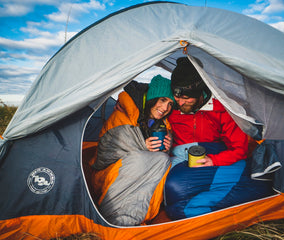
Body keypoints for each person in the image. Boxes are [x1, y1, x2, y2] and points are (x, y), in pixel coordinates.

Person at [164, 57, 274, 220]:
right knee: (174, 188)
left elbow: (239, 148)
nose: (180, 102)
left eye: (186, 98)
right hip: (181, 159)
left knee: (260, 182)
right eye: (176, 96)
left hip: (213, 157)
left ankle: (188, 210)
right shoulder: (169, 106)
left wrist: (214, 161)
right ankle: (192, 208)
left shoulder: (220, 108)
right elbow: (146, 100)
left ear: (200, 92)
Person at [91, 75, 174, 226]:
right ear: (152, 98)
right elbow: (105, 152)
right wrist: (142, 144)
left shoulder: (162, 124)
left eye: (170, 104)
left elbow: (158, 157)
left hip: (138, 177)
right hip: (107, 176)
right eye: (162, 100)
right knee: (141, 159)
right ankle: (117, 218)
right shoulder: (123, 115)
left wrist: (167, 145)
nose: (165, 108)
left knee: (163, 160)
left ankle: (137, 216)